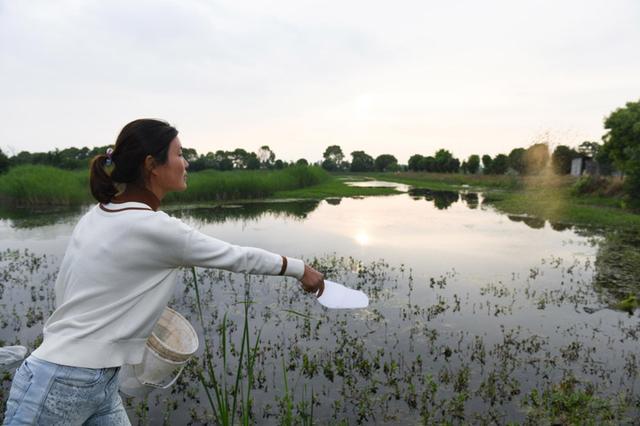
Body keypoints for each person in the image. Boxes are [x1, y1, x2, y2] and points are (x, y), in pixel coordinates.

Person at [2, 119, 325, 425]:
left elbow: (71, 290)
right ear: (151, 165)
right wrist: (299, 269)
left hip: (96, 378)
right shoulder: (154, 227)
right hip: (63, 379)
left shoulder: (99, 213)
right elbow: (236, 256)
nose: (186, 163)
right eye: (179, 154)